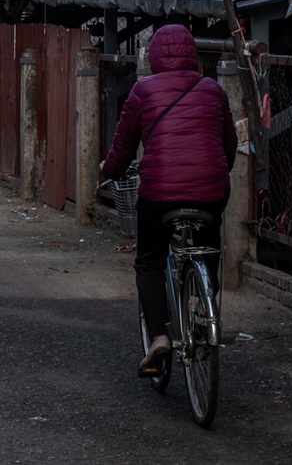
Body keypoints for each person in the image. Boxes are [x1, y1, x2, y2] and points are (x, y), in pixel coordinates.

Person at [99, 24, 237, 376]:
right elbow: (229, 144)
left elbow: (123, 146)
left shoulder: (142, 90)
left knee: (148, 261)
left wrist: (109, 170)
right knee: (209, 241)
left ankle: (159, 336)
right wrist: (216, 172)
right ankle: (206, 304)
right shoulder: (213, 89)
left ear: (154, 56)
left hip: (159, 194)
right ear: (193, 54)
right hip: (211, 188)